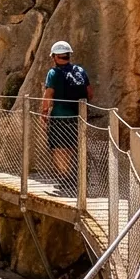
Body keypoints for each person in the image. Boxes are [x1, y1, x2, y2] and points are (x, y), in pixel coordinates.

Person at [41, 40, 93, 183]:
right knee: (72, 146)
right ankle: (73, 176)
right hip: (78, 117)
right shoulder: (80, 71)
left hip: (59, 117)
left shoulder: (53, 73)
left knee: (59, 148)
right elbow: (90, 93)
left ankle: (64, 177)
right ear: (68, 55)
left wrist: (44, 112)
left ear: (55, 57)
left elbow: (48, 95)